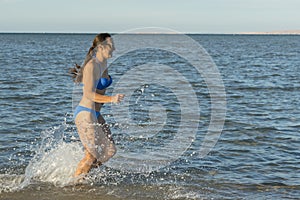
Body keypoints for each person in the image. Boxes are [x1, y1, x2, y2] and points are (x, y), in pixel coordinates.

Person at [69, 33, 124, 177]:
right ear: (100, 47)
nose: (114, 48)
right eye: (111, 46)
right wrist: (111, 99)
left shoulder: (103, 63)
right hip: (86, 113)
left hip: (96, 114)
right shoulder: (92, 65)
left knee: (110, 150)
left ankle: (80, 176)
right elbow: (88, 94)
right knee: (91, 155)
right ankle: (74, 185)